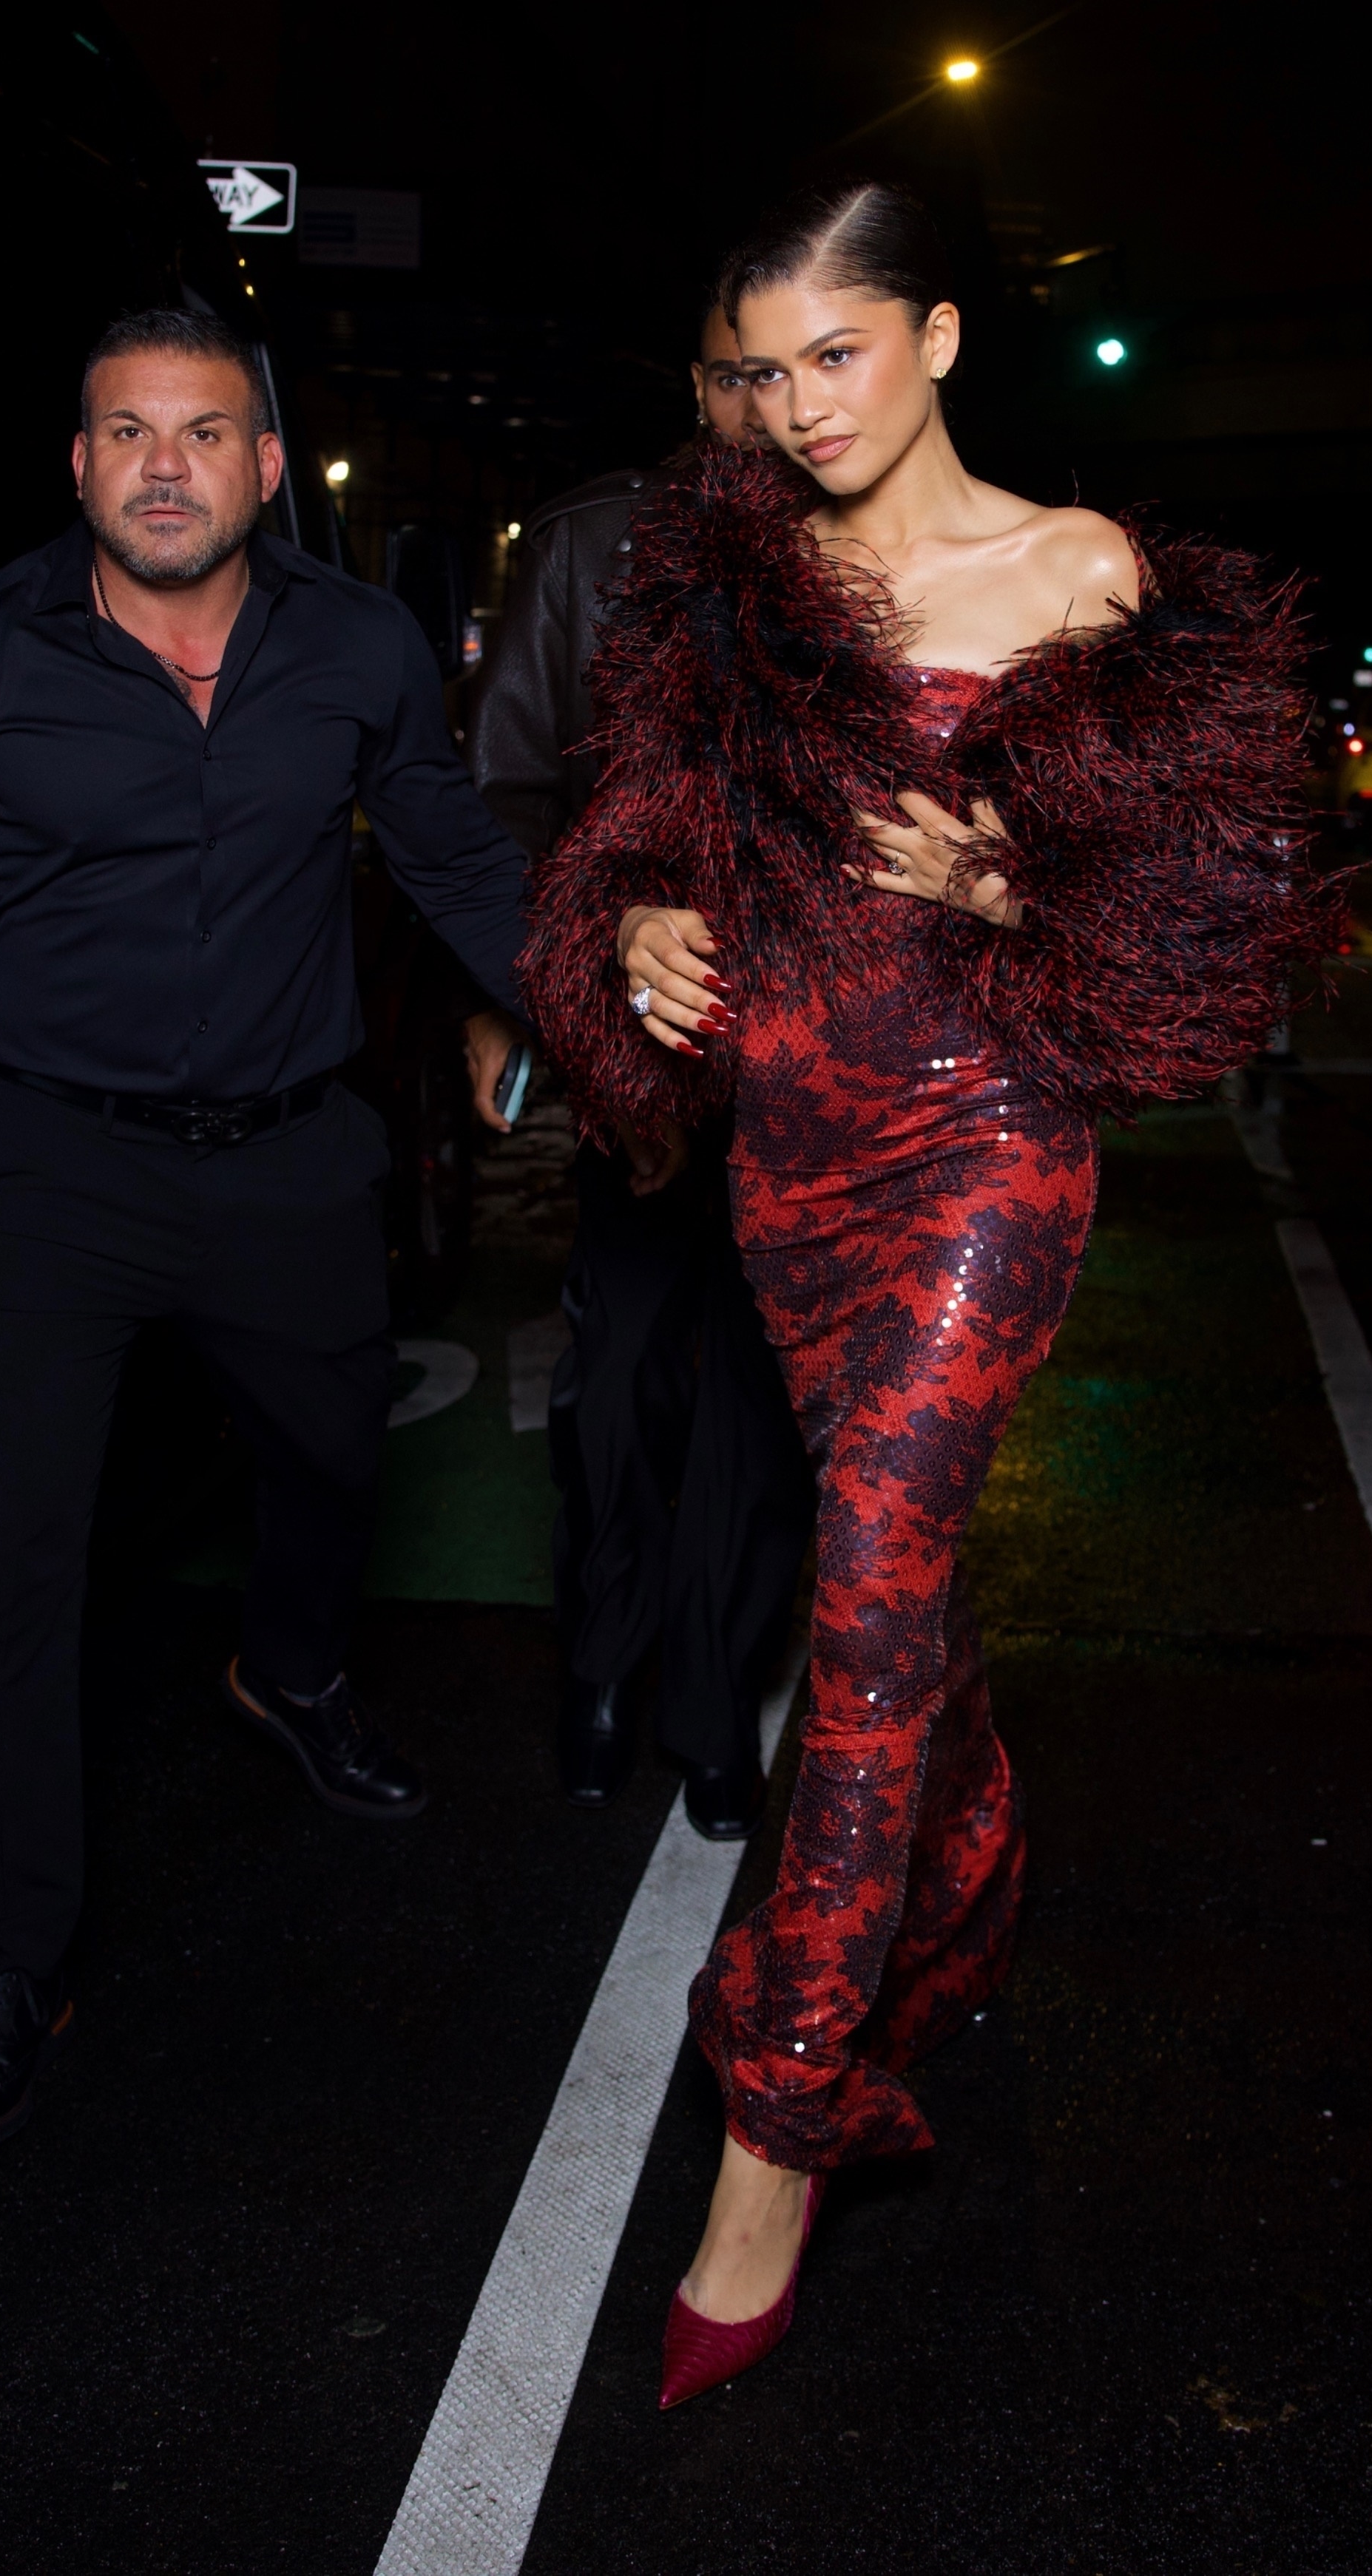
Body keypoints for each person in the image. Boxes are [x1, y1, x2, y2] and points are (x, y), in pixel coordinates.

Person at [520, 181, 1340, 2404]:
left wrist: (1011, 882)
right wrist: (633, 931)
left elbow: (1210, 916)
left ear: (943, 336)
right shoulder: (731, 588)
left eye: (840, 352)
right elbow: (634, 839)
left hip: (990, 1135)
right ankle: (967, 1852)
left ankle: (777, 2132)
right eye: (765, 369)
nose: (802, 407)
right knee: (900, 1593)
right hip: (789, 1150)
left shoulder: (1080, 572)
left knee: (870, 1572)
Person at [0, 308, 529, 2158]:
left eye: (202, 432)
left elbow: (452, 856)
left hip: (288, 1154)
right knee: (10, 1564)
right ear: (80, 464)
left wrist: (597, 1016)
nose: (165, 465)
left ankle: (292, 1666)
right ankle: (6, 1965)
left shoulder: (357, 644)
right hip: (52, 1169)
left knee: (337, 1449)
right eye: (128, 432)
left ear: (265, 468)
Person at [462, 305, 812, 1840]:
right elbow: (505, 797)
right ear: (697, 382)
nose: (767, 409)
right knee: (614, 1392)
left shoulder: (872, 545)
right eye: (740, 375)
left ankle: (716, 1704)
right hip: (638, 1042)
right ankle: (602, 1668)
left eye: (798, 373)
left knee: (759, 1400)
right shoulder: (594, 541)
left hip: (810, 1059)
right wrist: (536, 1001)